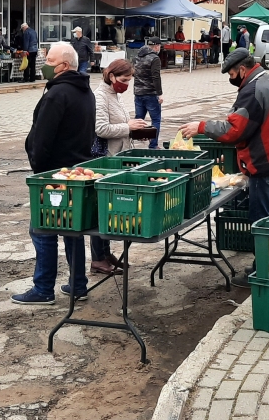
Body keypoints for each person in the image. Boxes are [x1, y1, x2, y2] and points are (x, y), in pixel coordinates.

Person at [178, 48, 269, 286]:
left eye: (232, 73)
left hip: (267, 162)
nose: (231, 78)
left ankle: (263, 272)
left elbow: (236, 130)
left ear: (242, 70)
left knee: (261, 221)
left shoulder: (252, 90)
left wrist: (201, 126)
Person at [13, 43, 96, 304]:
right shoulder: (85, 91)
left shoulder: (57, 94)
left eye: (50, 60)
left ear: (65, 66)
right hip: (77, 170)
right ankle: (77, 284)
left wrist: (39, 170)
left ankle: (43, 288)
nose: (45, 64)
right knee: (72, 230)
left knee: (42, 229)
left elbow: (42, 139)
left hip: (53, 174)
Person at [91, 59, 148, 274]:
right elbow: (101, 128)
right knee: (100, 210)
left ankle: (105, 253)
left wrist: (135, 130)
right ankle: (98, 258)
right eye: (123, 80)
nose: (126, 85)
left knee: (110, 210)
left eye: (129, 81)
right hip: (107, 159)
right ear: (111, 76)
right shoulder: (100, 96)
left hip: (119, 158)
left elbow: (121, 126)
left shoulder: (115, 95)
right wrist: (128, 126)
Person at [134, 37, 164, 149]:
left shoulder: (138, 56)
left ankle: (133, 141)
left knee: (138, 119)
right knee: (155, 119)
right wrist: (160, 93)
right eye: (160, 46)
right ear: (156, 46)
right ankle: (153, 145)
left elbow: (135, 73)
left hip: (138, 93)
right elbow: (156, 77)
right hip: (151, 93)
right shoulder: (155, 58)